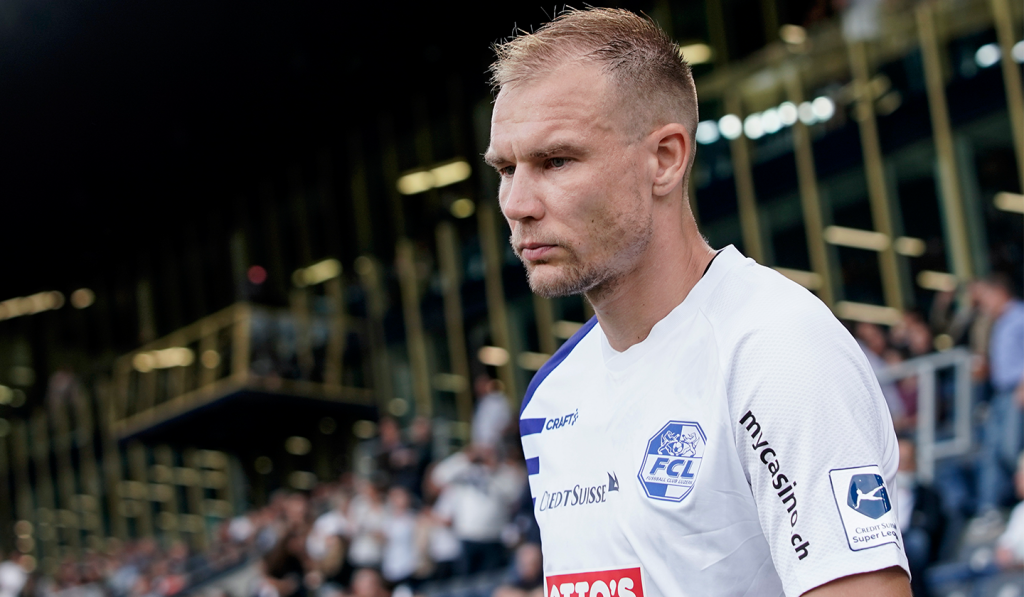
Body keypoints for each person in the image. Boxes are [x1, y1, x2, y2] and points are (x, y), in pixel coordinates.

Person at [485, 7, 911, 596]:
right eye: (506, 169)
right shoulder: (553, 393)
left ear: (665, 158)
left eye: (556, 161)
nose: (517, 204)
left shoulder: (775, 351)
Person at [974, 273, 1024, 514]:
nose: (982, 304)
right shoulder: (999, 322)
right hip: (1000, 394)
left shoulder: (1019, 315)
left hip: (1017, 390)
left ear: (999, 292)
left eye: (984, 297)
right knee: (992, 451)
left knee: (1010, 448)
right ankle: (992, 509)